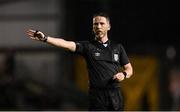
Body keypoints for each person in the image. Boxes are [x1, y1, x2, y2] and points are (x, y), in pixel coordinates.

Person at [26, 12, 133, 111]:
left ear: (108, 26)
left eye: (102, 23)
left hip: (115, 96)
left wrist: (124, 74)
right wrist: (45, 38)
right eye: (95, 24)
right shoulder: (87, 47)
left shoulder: (117, 47)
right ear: (92, 27)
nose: (98, 26)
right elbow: (66, 43)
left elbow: (129, 68)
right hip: (97, 97)